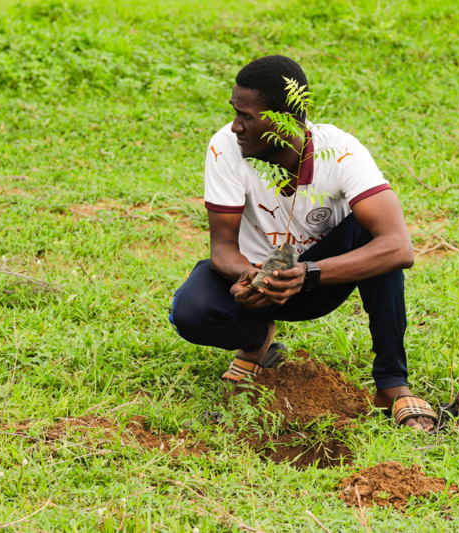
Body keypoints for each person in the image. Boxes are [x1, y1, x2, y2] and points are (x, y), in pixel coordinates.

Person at [169, 55, 437, 431]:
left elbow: (399, 248)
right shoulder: (225, 147)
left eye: (246, 116)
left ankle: (391, 383)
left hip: (320, 282)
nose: (235, 126)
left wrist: (307, 274)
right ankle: (257, 342)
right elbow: (222, 248)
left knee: (376, 239)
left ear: (283, 120)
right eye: (235, 112)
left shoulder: (341, 152)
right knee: (190, 311)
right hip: (259, 286)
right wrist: (251, 278)